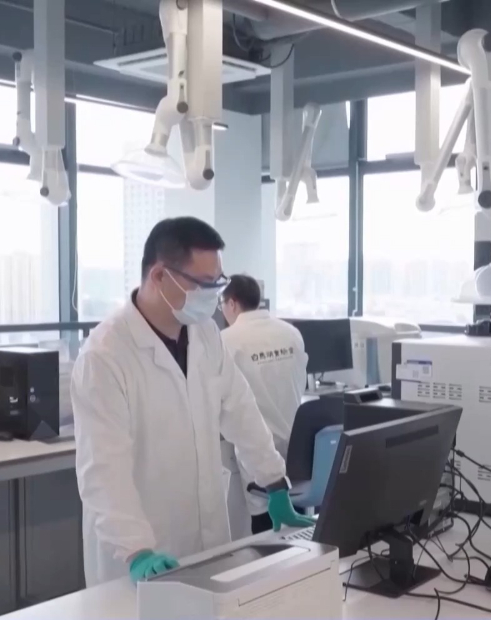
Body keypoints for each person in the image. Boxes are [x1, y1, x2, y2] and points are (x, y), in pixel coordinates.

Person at [71, 217, 314, 586]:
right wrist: (137, 550)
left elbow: (241, 409)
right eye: (202, 284)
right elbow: (103, 471)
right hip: (140, 556)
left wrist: (274, 481)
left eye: (217, 283)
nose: (212, 296)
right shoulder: (105, 357)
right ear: (159, 276)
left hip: (208, 542)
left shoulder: (205, 333)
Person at [220, 274, 309, 534]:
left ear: (232, 303)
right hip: (297, 449)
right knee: (297, 527)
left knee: (266, 527)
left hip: (257, 451)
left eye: (221, 304)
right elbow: (301, 381)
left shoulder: (226, 340)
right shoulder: (291, 333)